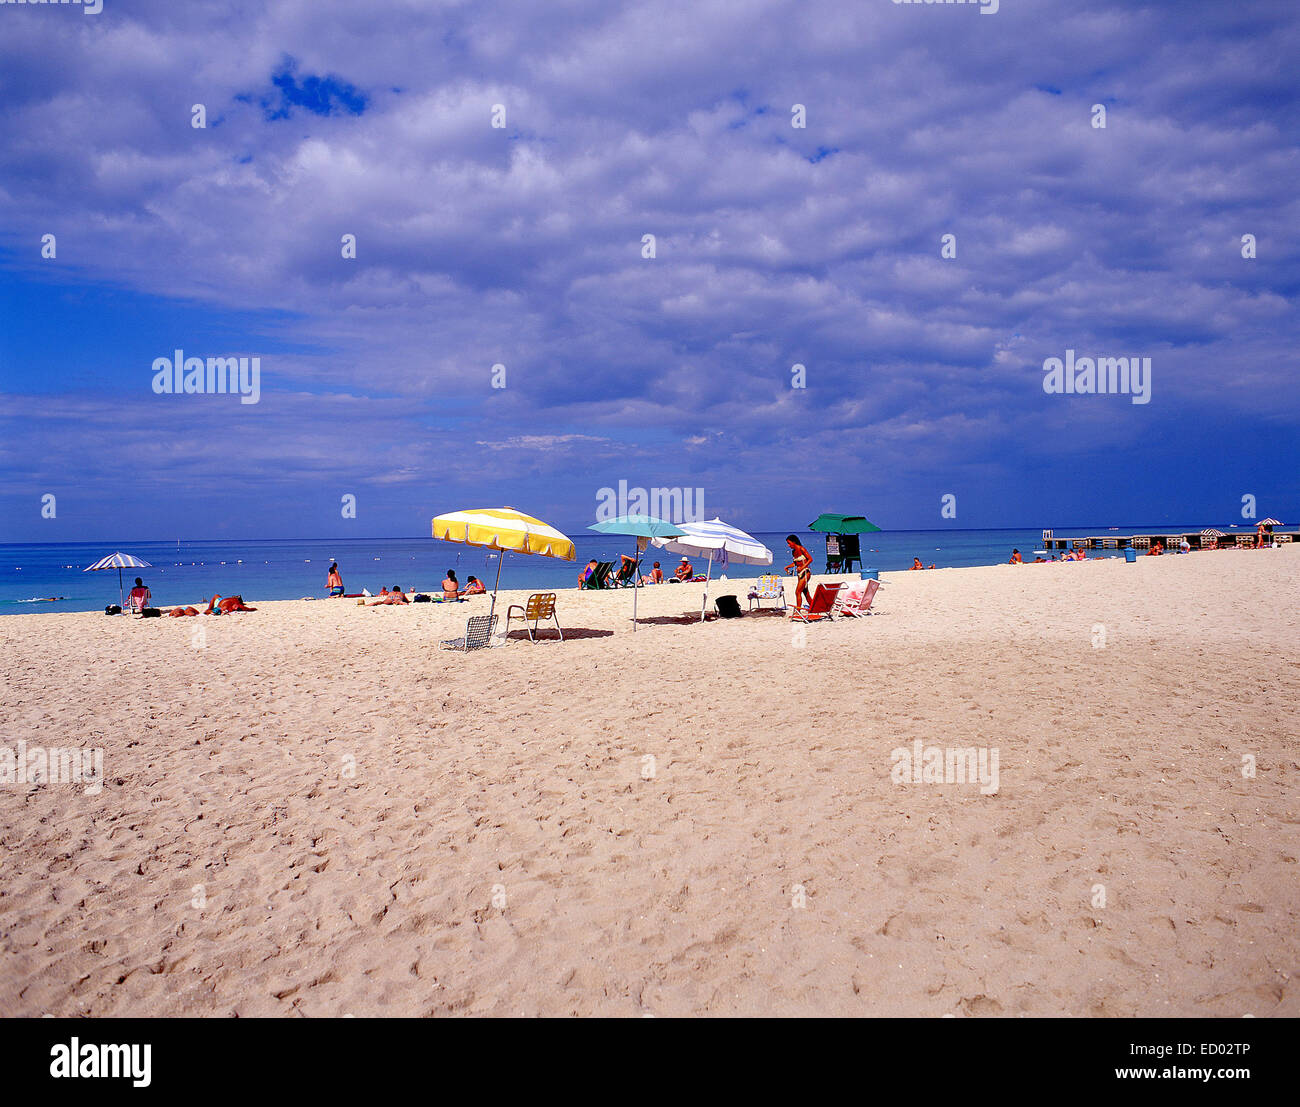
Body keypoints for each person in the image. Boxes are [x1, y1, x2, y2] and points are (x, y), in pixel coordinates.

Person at [784, 534, 813, 610]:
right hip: (800, 574)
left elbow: (810, 559)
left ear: (794, 542)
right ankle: (814, 608)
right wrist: (787, 567)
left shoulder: (801, 549)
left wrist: (803, 567)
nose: (788, 545)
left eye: (789, 543)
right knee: (806, 593)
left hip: (805, 572)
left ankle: (798, 610)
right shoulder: (793, 552)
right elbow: (796, 563)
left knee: (797, 592)